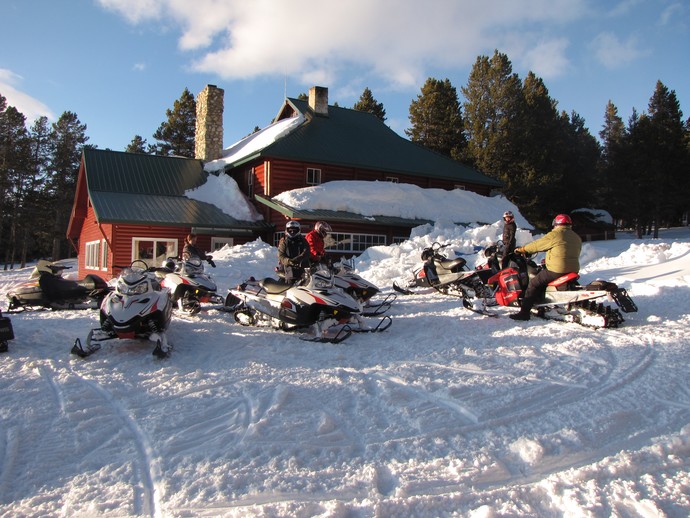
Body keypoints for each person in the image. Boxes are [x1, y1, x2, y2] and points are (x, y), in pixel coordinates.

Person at [510, 213, 582, 321]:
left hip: (557, 270)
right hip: (573, 269)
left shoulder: (555, 234)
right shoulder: (576, 237)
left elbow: (537, 245)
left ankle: (524, 313)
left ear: (556, 224)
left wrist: (522, 250)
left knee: (534, 283)